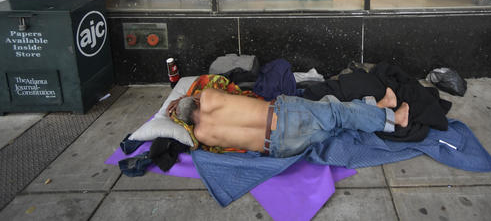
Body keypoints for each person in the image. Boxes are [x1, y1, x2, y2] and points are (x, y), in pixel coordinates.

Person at [167, 85, 409, 158]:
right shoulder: (208, 97)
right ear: (194, 101)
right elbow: (202, 91)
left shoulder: (201, 135)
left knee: (333, 116)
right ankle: (394, 119)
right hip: (283, 115)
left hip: (280, 148)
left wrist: (176, 115)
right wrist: (182, 101)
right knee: (335, 112)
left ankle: (378, 106)